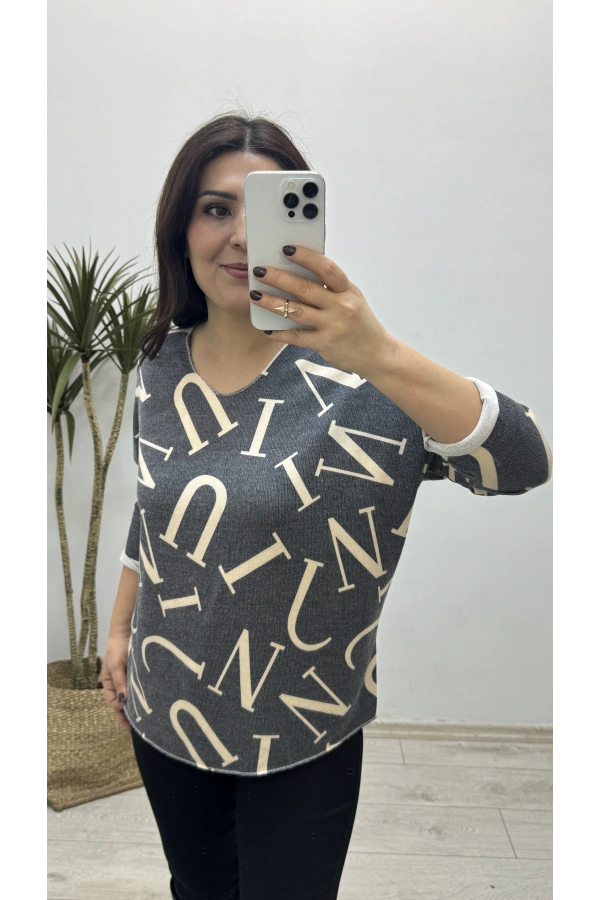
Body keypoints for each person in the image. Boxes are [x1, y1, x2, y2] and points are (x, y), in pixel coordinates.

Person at [100, 113, 552, 900]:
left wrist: (379, 352)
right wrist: (118, 628)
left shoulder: (361, 385)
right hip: (167, 708)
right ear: (180, 231)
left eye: (265, 208)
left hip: (299, 731)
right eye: (215, 209)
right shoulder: (160, 363)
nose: (242, 235)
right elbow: (154, 508)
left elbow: (524, 462)